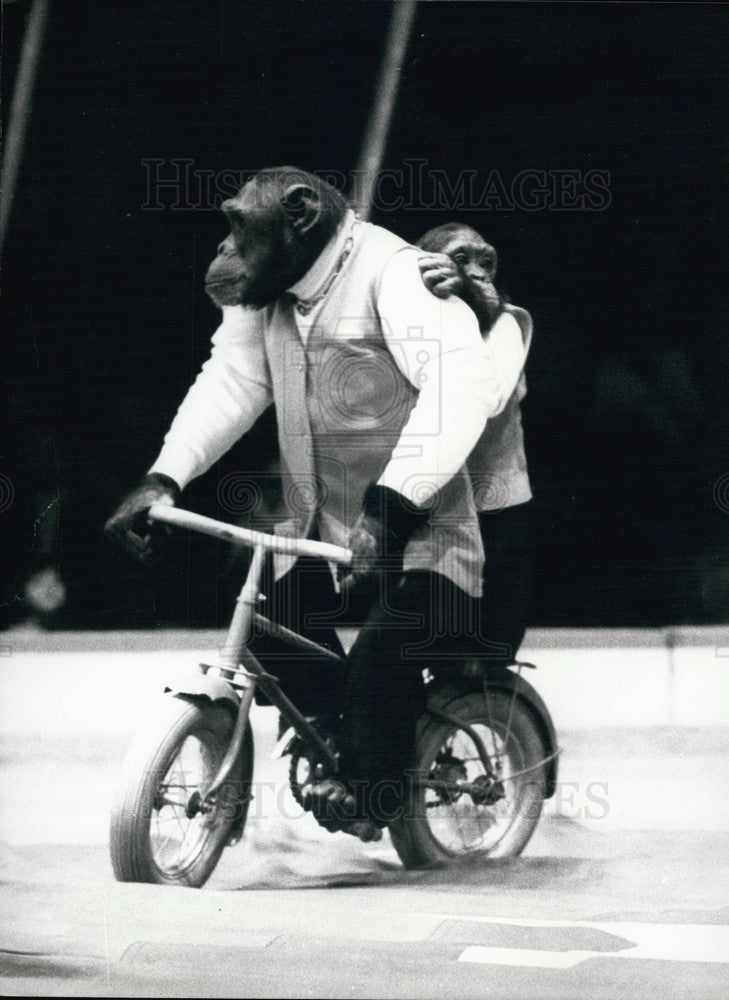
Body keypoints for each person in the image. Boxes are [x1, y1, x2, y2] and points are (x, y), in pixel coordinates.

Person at [105, 168, 521, 837]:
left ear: (299, 215)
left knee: (382, 655)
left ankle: (373, 793)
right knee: (263, 612)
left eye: (240, 226)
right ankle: (333, 735)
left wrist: (387, 514)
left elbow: (462, 388)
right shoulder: (275, 291)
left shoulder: (394, 272)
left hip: (428, 539)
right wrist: (163, 478)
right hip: (327, 534)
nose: (226, 246)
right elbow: (231, 382)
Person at [417, 224, 534, 667]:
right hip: (436, 511)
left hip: (494, 512)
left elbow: (487, 396)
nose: (479, 273)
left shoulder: (507, 323)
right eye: (462, 260)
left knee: (479, 662)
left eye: (486, 262)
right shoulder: (406, 324)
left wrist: (467, 295)